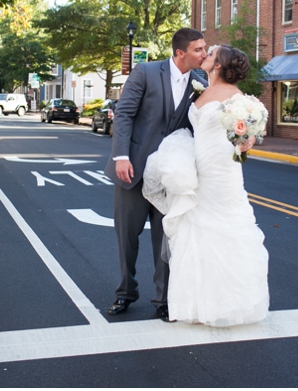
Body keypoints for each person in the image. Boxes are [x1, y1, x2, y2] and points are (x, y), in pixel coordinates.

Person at [143, 44, 269, 327]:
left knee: (224, 228)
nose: (205, 55)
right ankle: (199, 304)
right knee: (195, 229)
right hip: (197, 168)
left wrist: (247, 140)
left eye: (210, 53)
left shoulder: (238, 98)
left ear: (220, 64)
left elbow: (248, 135)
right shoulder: (201, 89)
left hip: (222, 172)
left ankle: (232, 304)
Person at [105, 28, 208, 321]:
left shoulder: (201, 80)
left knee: (167, 239)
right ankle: (125, 293)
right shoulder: (145, 72)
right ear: (180, 53)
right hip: (133, 170)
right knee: (127, 236)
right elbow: (123, 113)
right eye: (199, 49)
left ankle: (164, 300)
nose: (204, 54)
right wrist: (121, 157)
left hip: (171, 175)